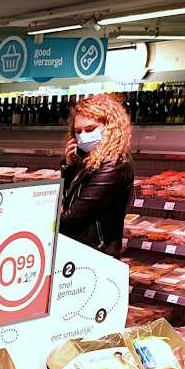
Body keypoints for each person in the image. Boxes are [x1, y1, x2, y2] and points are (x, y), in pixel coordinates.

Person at [59, 92, 135, 256]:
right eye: (78, 131)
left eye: (90, 129)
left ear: (110, 128)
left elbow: (72, 217)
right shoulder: (85, 162)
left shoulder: (114, 166)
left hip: (96, 254)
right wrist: (68, 167)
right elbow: (64, 201)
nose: (83, 136)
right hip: (80, 249)